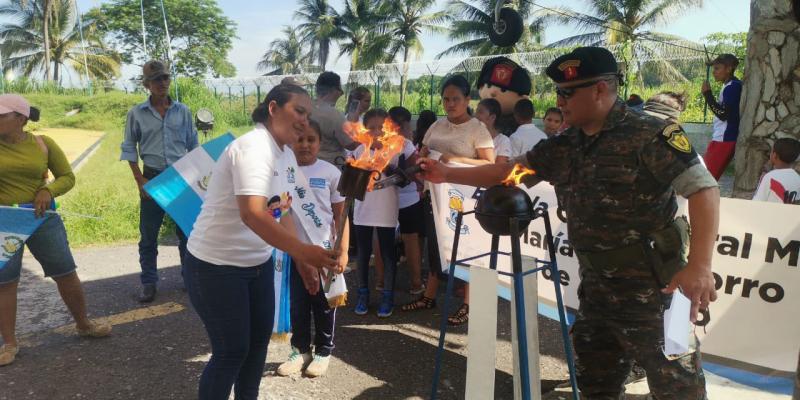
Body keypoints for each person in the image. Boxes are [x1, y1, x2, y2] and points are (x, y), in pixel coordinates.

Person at [416, 47, 720, 399]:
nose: (559, 100)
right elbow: (508, 171)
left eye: (567, 92)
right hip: (597, 293)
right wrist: (445, 173)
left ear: (601, 90)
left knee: (681, 387)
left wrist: (699, 265)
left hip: (663, 290)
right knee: (595, 386)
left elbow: (704, 189)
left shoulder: (650, 133)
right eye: (558, 91)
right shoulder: (567, 144)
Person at [184, 84, 339, 399]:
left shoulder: (284, 154)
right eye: (298, 110)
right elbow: (253, 214)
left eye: (308, 114)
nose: (304, 120)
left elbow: (283, 210)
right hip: (216, 267)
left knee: (256, 349)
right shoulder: (254, 147)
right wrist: (305, 250)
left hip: (256, 264)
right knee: (231, 351)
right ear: (273, 108)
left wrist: (304, 263)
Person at [0, 94, 111, 367]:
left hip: (42, 219)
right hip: (5, 220)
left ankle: (84, 324)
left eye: (2, 115)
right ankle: (10, 343)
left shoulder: (42, 144)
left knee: (65, 272)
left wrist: (47, 190)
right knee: (5, 283)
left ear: (21, 119)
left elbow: (67, 177)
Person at [402, 75, 495, 326]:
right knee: (436, 248)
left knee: (467, 251)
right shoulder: (437, 126)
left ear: (467, 100)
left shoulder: (478, 129)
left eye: (456, 99)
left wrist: (452, 160)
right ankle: (429, 296)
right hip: (433, 197)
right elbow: (422, 151)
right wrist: (422, 160)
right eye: (446, 99)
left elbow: (490, 164)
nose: (450, 104)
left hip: (463, 201)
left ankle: (468, 304)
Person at [120, 60, 198, 303]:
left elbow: (193, 144)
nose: (162, 83)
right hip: (152, 178)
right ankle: (149, 282)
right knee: (149, 235)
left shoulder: (182, 111)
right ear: (147, 85)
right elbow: (129, 147)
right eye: (156, 80)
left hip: (180, 177)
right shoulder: (137, 113)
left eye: (165, 78)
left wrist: (195, 176)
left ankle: (190, 278)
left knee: (187, 233)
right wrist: (139, 180)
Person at [276, 120, 348, 378]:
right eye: (300, 139)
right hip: (292, 251)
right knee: (298, 302)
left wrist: (344, 250)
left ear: (320, 143)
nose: (305, 145)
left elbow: (341, 216)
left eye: (311, 140)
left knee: (324, 303)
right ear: (290, 142)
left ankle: (324, 351)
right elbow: (279, 213)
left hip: (324, 249)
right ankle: (300, 349)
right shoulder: (282, 173)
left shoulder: (331, 173)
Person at [352, 108, 416, 318]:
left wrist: (389, 167)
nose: (377, 132)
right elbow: (350, 182)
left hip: (387, 208)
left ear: (388, 128)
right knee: (362, 253)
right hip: (363, 209)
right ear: (364, 130)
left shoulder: (397, 149)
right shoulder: (359, 150)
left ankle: (387, 297)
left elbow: (406, 178)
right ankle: (362, 294)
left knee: (388, 253)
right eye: (371, 128)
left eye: (381, 127)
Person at [388, 107, 425, 295]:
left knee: (382, 240)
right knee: (411, 239)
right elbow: (417, 170)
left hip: (385, 200)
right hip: (409, 199)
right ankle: (416, 283)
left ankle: (381, 283)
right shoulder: (406, 144)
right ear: (404, 124)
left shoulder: (379, 142)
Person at [702, 53, 742, 181]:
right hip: (722, 137)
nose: (714, 72)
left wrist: (708, 95)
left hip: (725, 138)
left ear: (729, 69)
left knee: (705, 180)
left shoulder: (733, 87)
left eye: (717, 68)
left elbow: (723, 115)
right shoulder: (730, 85)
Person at [312, 72, 357, 166]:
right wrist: (367, 139)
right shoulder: (335, 115)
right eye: (340, 89)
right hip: (331, 166)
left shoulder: (305, 108)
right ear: (333, 90)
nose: (341, 93)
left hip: (306, 165)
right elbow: (350, 144)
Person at [752, 138, 800, 204]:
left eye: (771, 151)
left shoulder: (769, 177)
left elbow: (757, 202)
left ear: (774, 155)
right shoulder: (797, 178)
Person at [477, 98, 512, 164]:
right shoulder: (472, 136)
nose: (475, 116)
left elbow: (499, 169)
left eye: (480, 112)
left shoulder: (503, 141)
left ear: (492, 117)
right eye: (476, 112)